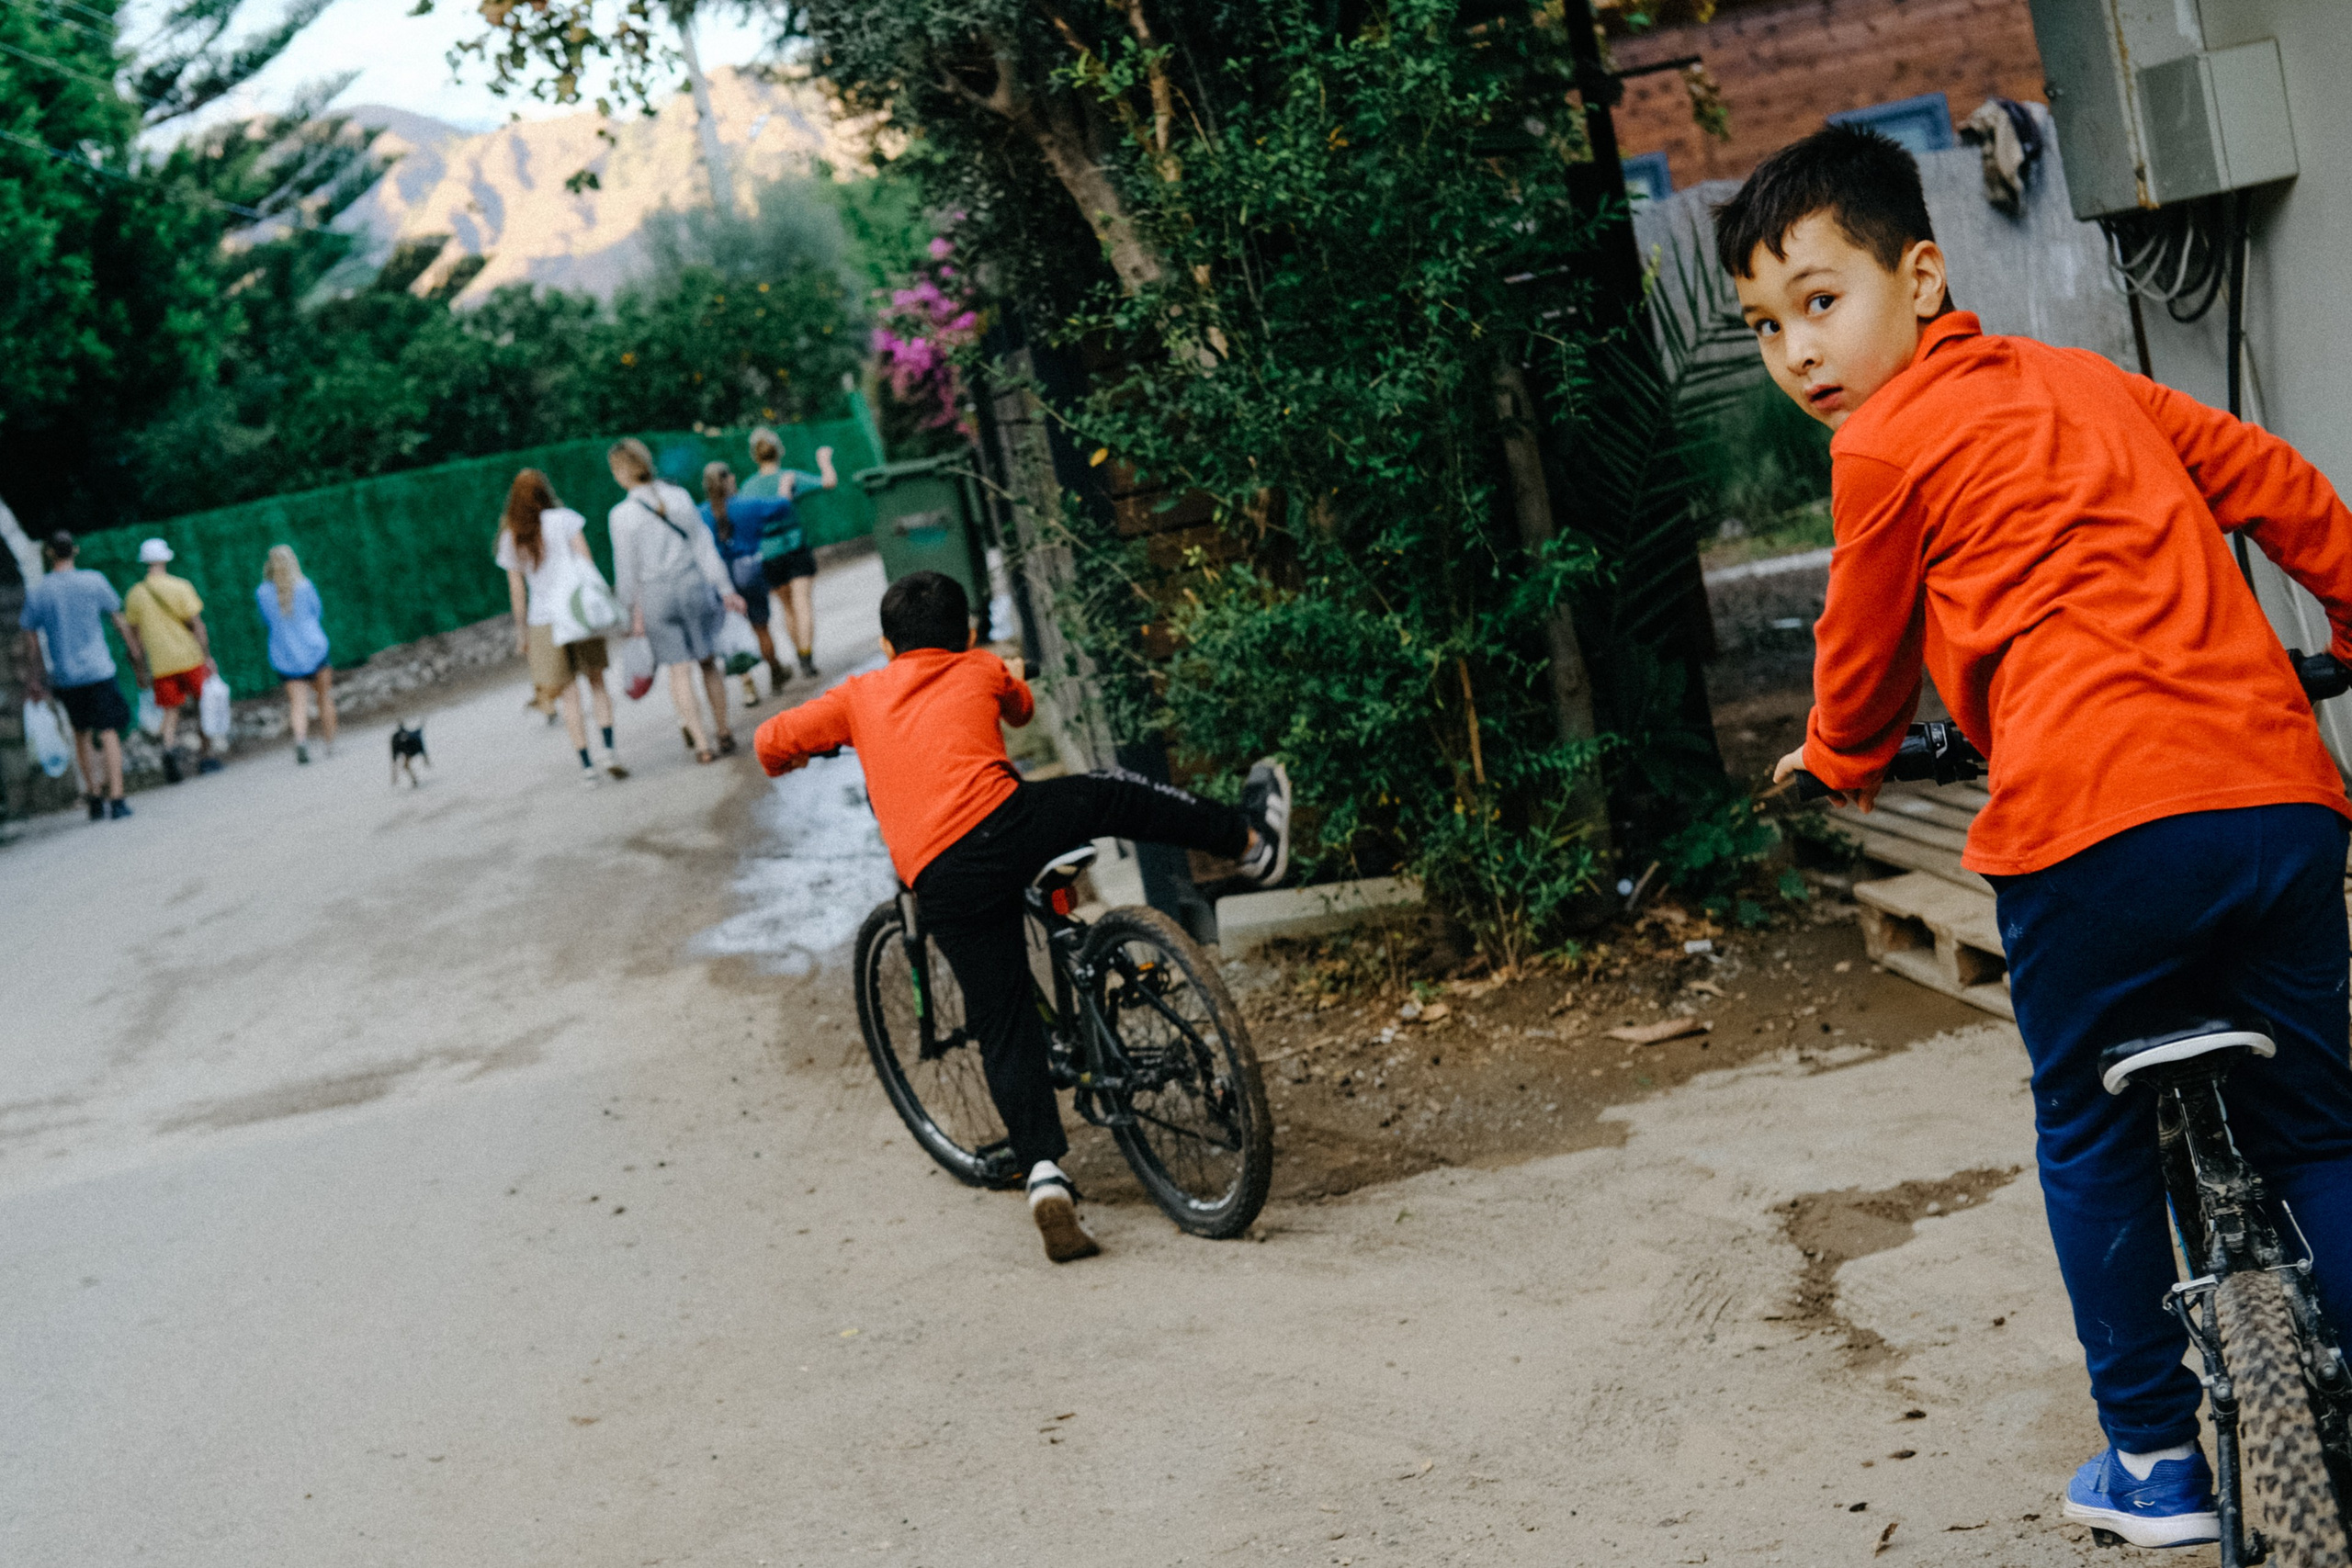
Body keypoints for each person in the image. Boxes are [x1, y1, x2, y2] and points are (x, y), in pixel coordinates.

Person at [1725, 126, 2352, 1550]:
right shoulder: (2100, 383)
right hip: (2275, 806)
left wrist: (1836, 760)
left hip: (2087, 838)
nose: (1798, 353)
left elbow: (1861, 652)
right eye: (1766, 327)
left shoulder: (1882, 444)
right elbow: (2286, 490)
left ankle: (2152, 1458)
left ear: (1925, 276)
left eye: (1823, 302)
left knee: (2090, 1125)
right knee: (2319, 1127)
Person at [753, 570, 1294, 1263]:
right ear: (969, 633)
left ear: (889, 647)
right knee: (1114, 791)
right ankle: (1250, 841)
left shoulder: (860, 695)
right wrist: (1006, 673)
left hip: (941, 877)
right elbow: (1020, 710)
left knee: (1002, 1020)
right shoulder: (979, 664)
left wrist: (814, 743)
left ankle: (1044, 1175)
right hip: (1012, 826)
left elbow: (771, 741)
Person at [607, 439, 745, 763]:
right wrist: (725, 587)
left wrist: (628, 613)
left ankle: (702, 745)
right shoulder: (679, 496)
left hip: (657, 596)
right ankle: (724, 731)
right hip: (693, 585)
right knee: (708, 661)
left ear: (622, 472)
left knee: (678, 671)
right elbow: (703, 546)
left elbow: (626, 571)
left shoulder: (621, 515)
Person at [496, 468, 628, 785]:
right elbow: (586, 560)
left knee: (569, 696)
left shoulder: (510, 537)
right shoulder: (565, 519)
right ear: (545, 492)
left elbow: (517, 592)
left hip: (544, 623)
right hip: (578, 615)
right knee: (597, 684)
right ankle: (608, 750)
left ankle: (586, 768)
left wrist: (522, 633)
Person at [17, 530, 135, 819]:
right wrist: (134, 650)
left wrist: (36, 675)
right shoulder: (94, 581)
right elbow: (117, 618)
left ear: (48, 553)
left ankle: (94, 794)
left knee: (80, 733)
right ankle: (117, 797)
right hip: (99, 669)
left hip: (67, 675)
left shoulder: (40, 592)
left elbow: (31, 638)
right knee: (108, 731)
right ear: (76, 550)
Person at [738, 426, 838, 682]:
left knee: (788, 608)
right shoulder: (790, 477)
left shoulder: (747, 488)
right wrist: (824, 460)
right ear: (779, 450)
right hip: (795, 547)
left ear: (754, 455)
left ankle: (798, 652)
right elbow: (828, 482)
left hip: (768, 553)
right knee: (803, 602)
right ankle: (806, 657)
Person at [121, 538, 220, 782]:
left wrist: (140, 671)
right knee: (202, 705)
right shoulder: (180, 586)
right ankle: (206, 756)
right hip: (189, 657)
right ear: (165, 559)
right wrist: (207, 656)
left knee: (171, 710)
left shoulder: (135, 595)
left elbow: (135, 642)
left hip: (161, 664)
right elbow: (197, 625)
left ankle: (167, 748)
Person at [700, 461, 790, 705]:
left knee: (734, 631)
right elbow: (782, 505)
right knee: (761, 627)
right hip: (750, 571)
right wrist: (784, 487)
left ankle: (748, 685)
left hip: (720, 579)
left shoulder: (702, 514)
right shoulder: (747, 505)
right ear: (729, 479)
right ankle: (775, 670)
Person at [254, 545, 337, 765]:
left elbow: (264, 621)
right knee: (324, 698)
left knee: (298, 704)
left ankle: (301, 741)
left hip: (285, 656)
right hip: (314, 649)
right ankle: (329, 744)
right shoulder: (304, 586)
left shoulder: (262, 592)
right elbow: (316, 612)